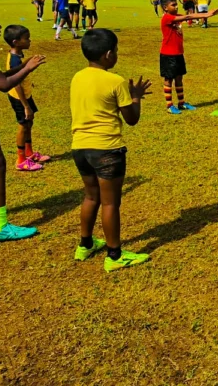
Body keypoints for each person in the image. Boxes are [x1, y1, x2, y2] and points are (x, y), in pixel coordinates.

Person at [70, 29, 152, 272]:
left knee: (90, 196)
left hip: (80, 148)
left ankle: (85, 244)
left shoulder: (77, 77)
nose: (116, 55)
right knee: (110, 203)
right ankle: (114, 255)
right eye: (115, 51)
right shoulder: (115, 81)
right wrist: (135, 97)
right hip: (106, 150)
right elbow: (132, 118)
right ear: (108, 54)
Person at [0, 6, 46, 241]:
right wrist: (28, 68)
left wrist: (23, 65)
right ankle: (0, 226)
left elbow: (1, 74)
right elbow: (3, 84)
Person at [159, 0, 218, 114]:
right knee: (168, 79)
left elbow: (188, 16)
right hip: (168, 54)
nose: (176, 7)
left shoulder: (176, 16)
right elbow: (188, 16)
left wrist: (200, 15)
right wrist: (206, 15)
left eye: (176, 4)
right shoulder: (167, 18)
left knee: (179, 78)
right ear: (165, 8)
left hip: (178, 53)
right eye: (173, 5)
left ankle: (181, 103)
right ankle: (169, 105)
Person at [4, 25, 50, 172]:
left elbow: (22, 76)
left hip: (25, 95)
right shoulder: (14, 60)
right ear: (16, 41)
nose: (30, 40)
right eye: (27, 38)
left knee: (29, 122)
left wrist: (29, 82)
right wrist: (25, 106)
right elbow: (16, 83)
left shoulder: (18, 55)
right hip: (20, 98)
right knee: (23, 125)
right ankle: (21, 159)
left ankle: (29, 153)